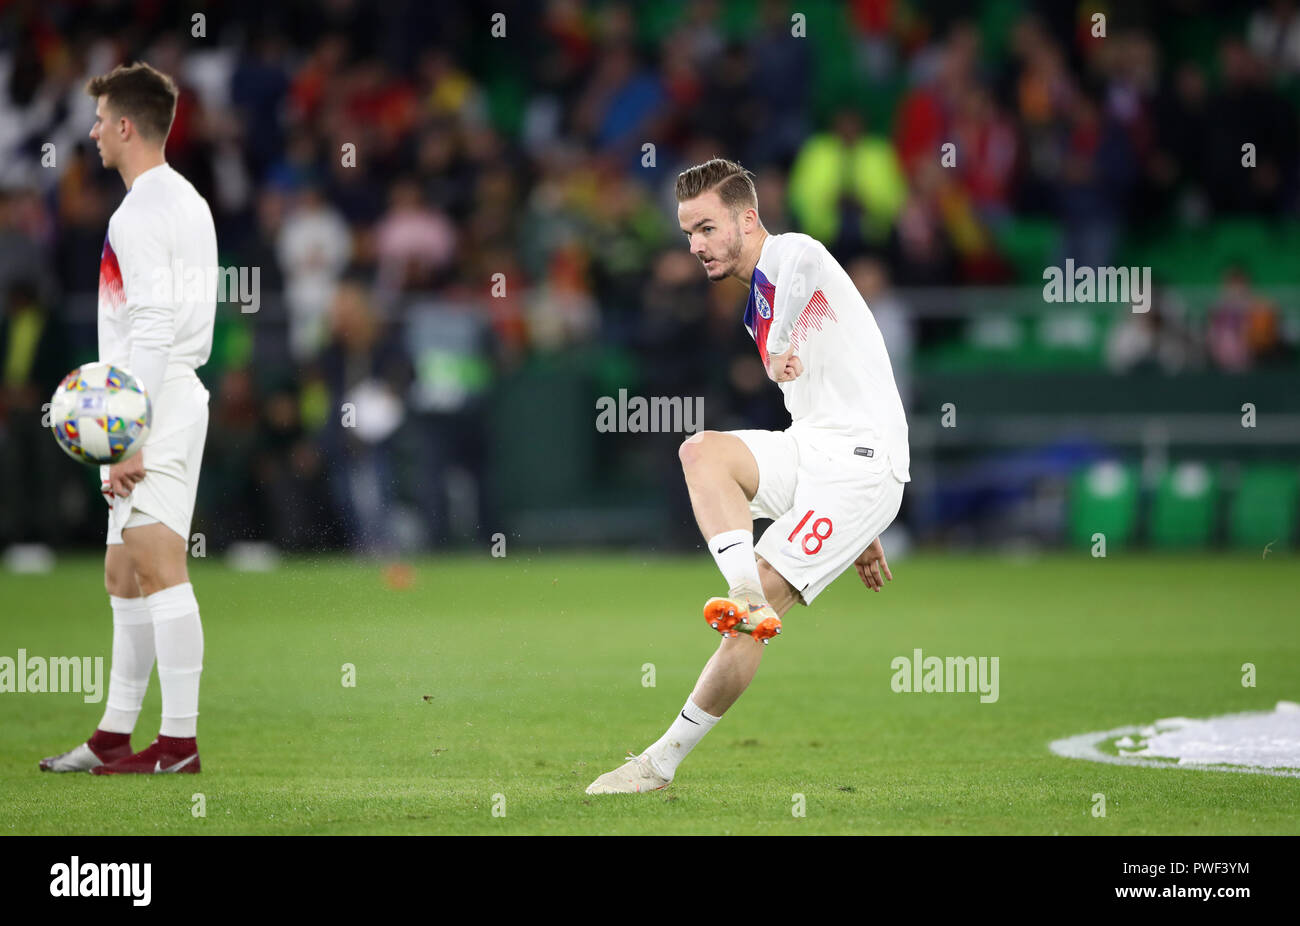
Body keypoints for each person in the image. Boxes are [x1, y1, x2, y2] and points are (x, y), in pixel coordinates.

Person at [586, 158, 910, 793]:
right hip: (815, 452)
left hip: (863, 465)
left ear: (748, 218)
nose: (696, 245)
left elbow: (809, 264)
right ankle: (743, 592)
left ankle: (657, 765)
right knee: (701, 451)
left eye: (706, 228)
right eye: (687, 233)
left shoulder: (791, 254)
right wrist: (857, 532)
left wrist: (783, 338)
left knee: (758, 603)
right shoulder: (756, 307)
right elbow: (819, 395)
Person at [40, 61, 216, 775]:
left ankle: (178, 745)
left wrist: (128, 435)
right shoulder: (188, 201)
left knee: (158, 565)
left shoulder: (139, 211)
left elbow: (150, 325)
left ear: (124, 125)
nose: (90, 134)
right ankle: (116, 735)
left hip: (157, 395)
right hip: (165, 388)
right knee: (122, 572)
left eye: (98, 120)